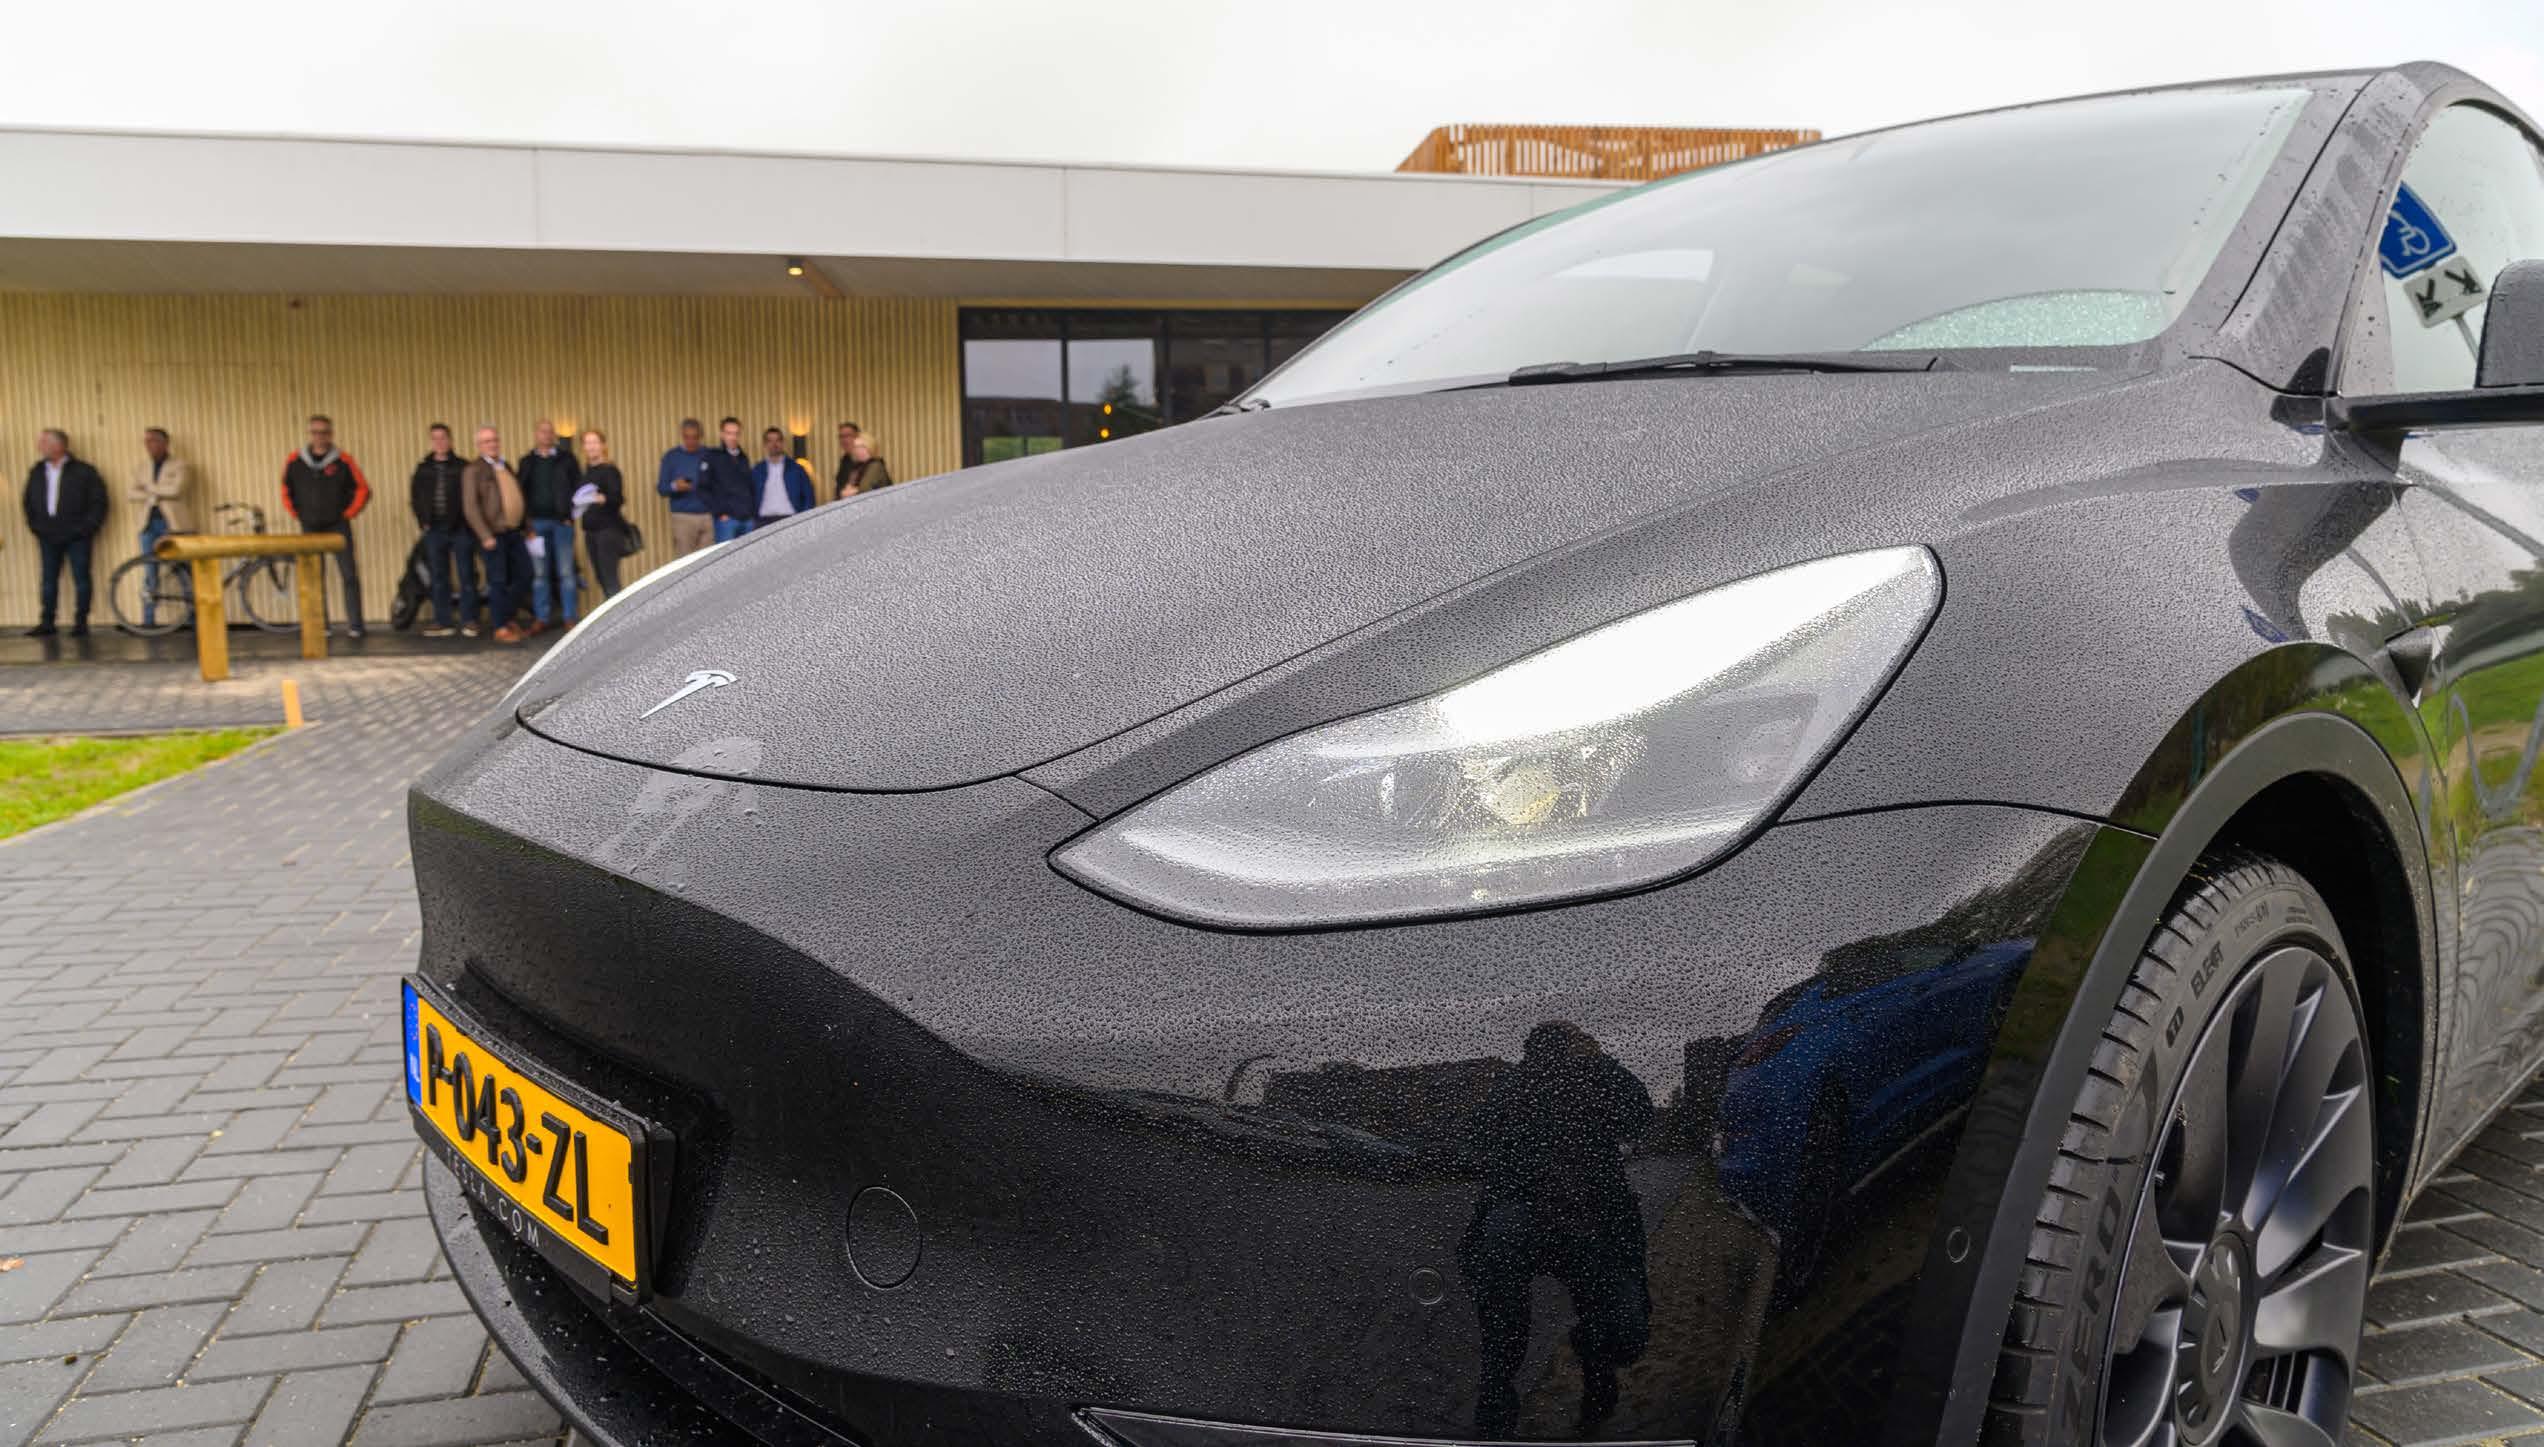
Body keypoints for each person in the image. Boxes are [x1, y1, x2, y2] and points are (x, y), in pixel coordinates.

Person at [280, 414, 371, 637]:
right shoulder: (295, 460)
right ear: (310, 434)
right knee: (314, 577)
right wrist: (296, 513)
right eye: (315, 432)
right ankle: (322, 625)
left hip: (338, 525)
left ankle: (355, 625)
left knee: (349, 575)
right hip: (310, 526)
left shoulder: (344, 461)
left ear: (331, 434)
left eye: (324, 432)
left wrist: (348, 513)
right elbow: (285, 488)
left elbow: (363, 489)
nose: (320, 437)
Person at [20, 429, 107, 637]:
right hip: (47, 534)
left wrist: (87, 528)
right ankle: (47, 622)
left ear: (58, 446)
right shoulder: (37, 470)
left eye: (43, 442)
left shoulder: (84, 471)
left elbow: (99, 502)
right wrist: (35, 526)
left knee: (81, 578)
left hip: (78, 535)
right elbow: (28, 500)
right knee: (48, 580)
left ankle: (81, 623)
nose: (39, 446)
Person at [518, 417, 583, 635]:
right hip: (536, 525)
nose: (546, 435)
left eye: (549, 431)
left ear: (554, 435)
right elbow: (520, 494)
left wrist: (571, 515)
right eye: (542, 431)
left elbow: (579, 488)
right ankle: (541, 618)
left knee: (566, 572)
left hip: (562, 524)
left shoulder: (567, 459)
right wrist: (526, 525)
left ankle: (570, 618)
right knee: (540, 575)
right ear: (536, 434)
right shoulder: (527, 462)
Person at [461, 426, 527, 643]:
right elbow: (470, 507)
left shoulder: (505, 466)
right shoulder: (473, 470)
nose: (492, 444)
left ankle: (507, 617)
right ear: (479, 445)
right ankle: (500, 626)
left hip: (514, 532)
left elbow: (517, 497)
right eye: (487, 441)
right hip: (493, 535)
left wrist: (528, 528)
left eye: (494, 440)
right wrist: (485, 535)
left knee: (524, 575)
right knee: (498, 581)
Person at [409, 423, 474, 637]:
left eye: (443, 438)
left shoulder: (462, 466)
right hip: (434, 529)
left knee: (466, 574)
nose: (439, 442)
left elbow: (471, 497)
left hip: (460, 529)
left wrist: (467, 522)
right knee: (438, 576)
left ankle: (469, 620)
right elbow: (415, 497)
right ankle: (443, 621)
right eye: (435, 438)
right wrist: (423, 521)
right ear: (431, 441)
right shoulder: (423, 468)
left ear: (450, 440)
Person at [125, 428, 192, 630]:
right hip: (148, 524)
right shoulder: (142, 467)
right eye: (146, 441)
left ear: (165, 443)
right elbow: (130, 493)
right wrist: (157, 492)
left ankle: (192, 617)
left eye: (153, 440)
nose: (149, 445)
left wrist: (149, 489)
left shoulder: (180, 465)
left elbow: (177, 490)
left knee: (183, 569)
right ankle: (148, 620)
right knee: (149, 570)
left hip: (173, 524)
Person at [577, 428, 633, 600]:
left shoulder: (610, 470)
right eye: (587, 443)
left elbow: (618, 498)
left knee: (610, 580)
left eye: (594, 442)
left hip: (608, 531)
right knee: (602, 578)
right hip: (591, 531)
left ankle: (623, 614)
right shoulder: (587, 471)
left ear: (603, 445)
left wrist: (603, 498)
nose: (591, 446)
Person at [657, 418, 712, 556]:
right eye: (687, 437)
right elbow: (662, 488)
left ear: (701, 436)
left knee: (710, 560)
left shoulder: (710, 455)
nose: (691, 441)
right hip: (683, 518)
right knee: (685, 561)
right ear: (682, 435)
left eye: (695, 437)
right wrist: (675, 486)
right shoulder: (671, 457)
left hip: (708, 516)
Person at [700, 416, 757, 543]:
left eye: (736, 433)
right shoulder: (713, 457)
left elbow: (749, 487)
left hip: (747, 518)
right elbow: (702, 488)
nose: (733, 437)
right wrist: (719, 513)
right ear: (722, 434)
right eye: (729, 433)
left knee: (749, 554)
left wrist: (752, 512)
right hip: (727, 520)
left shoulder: (743, 457)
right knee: (727, 554)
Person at [754, 427, 814, 527]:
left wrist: (803, 519)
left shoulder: (796, 469)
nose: (774, 444)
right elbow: (750, 496)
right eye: (770, 441)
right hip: (763, 522)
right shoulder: (757, 470)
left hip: (790, 519)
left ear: (782, 443)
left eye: (777, 440)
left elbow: (808, 496)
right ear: (765, 444)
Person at [837, 431, 894, 498]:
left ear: (870, 447)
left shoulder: (876, 465)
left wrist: (852, 491)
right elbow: (846, 490)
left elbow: (864, 489)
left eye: (861, 446)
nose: (857, 450)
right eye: (855, 447)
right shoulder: (857, 467)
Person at [831, 421, 863, 499]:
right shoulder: (845, 460)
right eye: (841, 436)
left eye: (848, 436)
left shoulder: (865, 460)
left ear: (857, 436)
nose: (844, 440)